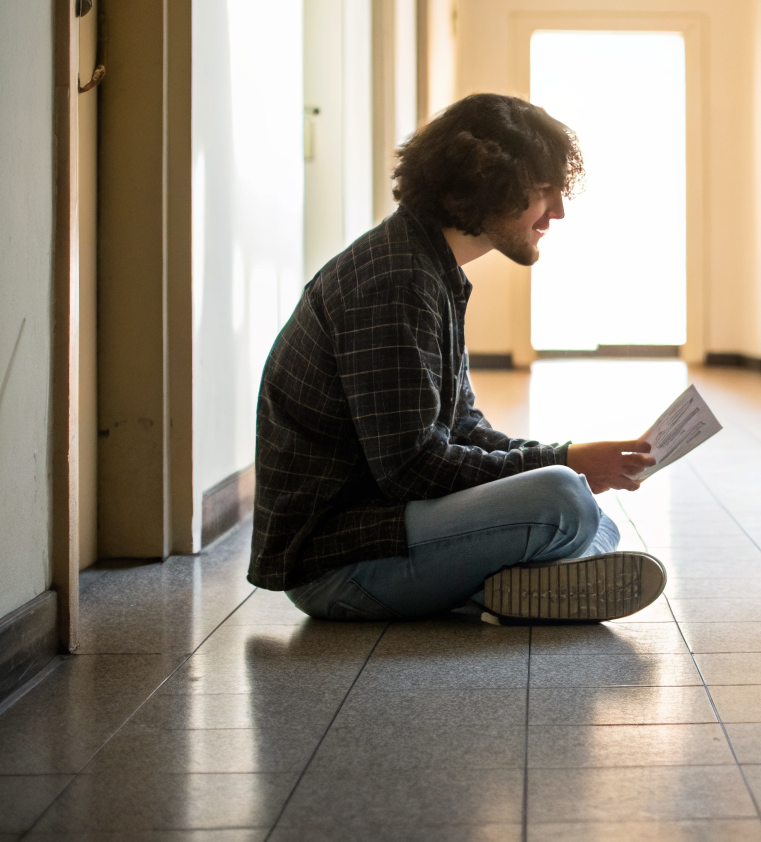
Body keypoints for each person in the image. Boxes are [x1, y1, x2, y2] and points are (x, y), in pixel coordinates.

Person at [247, 93, 666, 623]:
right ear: (486, 184)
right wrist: (562, 465)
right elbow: (412, 468)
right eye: (544, 192)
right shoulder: (396, 280)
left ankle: (503, 588)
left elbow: (463, 427)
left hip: (390, 532)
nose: (557, 211)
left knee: (593, 515)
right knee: (565, 499)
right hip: (339, 568)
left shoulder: (426, 268)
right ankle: (508, 584)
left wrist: (570, 454)